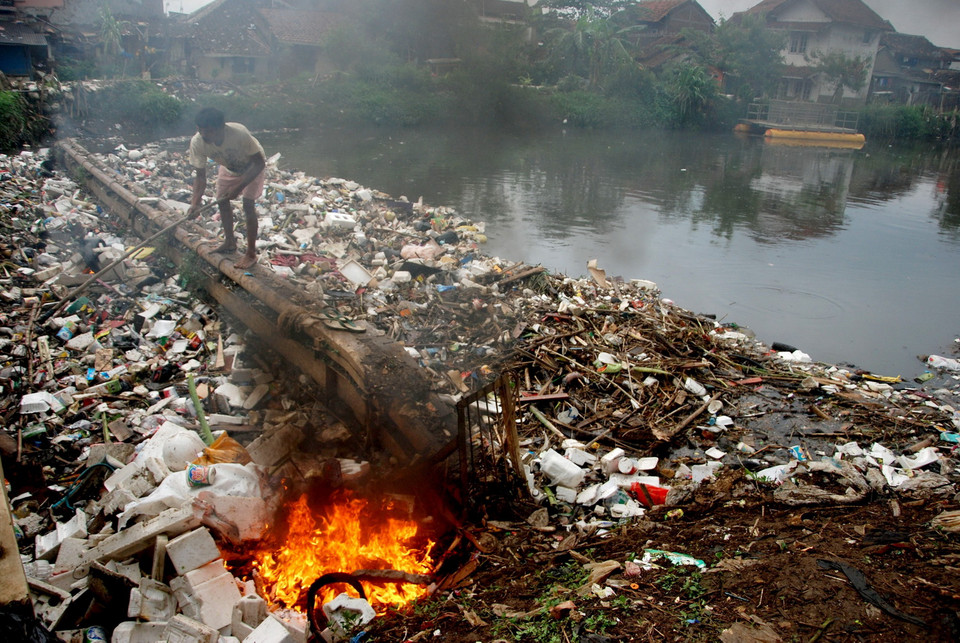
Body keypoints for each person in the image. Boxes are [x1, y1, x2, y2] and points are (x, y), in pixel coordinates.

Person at [187, 107, 266, 269]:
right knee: (221, 201)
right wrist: (195, 203)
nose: (206, 135)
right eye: (202, 131)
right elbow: (200, 177)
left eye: (210, 131)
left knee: (247, 204)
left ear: (221, 127)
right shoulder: (198, 142)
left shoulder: (239, 133)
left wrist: (238, 187)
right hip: (229, 167)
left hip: (252, 167)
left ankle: (251, 254)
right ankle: (229, 242)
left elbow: (259, 163)